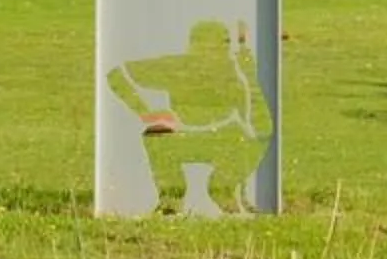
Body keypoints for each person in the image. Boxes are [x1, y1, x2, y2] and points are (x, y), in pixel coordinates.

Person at [106, 19, 272, 216]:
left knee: (254, 140)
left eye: (222, 45)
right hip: (183, 136)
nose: (215, 52)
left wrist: (249, 76)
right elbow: (116, 74)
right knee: (155, 135)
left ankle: (224, 189)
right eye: (208, 46)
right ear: (193, 46)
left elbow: (258, 125)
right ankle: (171, 197)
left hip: (224, 139)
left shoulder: (234, 71)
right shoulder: (176, 66)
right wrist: (144, 112)